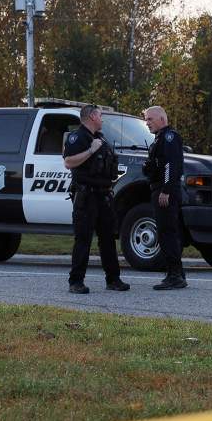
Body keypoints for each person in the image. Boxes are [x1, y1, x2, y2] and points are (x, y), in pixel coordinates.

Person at [64, 104, 130, 294]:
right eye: (100, 115)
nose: (102, 119)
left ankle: (113, 279)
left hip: (103, 195)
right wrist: (91, 150)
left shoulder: (100, 138)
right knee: (83, 239)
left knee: (108, 239)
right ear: (92, 116)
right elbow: (68, 162)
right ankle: (76, 282)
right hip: (86, 196)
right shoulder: (78, 137)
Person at [143, 105, 187, 290]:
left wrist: (166, 190)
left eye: (150, 119)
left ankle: (174, 275)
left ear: (161, 119)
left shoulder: (169, 137)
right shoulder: (159, 139)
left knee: (167, 232)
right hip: (160, 188)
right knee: (168, 231)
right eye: (146, 120)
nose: (147, 123)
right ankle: (178, 273)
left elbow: (171, 165)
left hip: (165, 191)